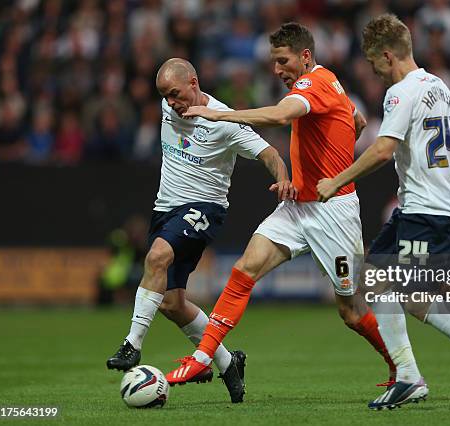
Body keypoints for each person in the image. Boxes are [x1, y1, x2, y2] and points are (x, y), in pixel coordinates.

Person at [164, 23, 398, 389]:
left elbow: (280, 115)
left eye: (283, 61)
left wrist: (220, 114)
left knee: (350, 312)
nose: (277, 70)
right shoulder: (331, 81)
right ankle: (202, 358)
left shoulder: (313, 84)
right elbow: (358, 119)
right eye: (274, 62)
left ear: (305, 57)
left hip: (334, 211)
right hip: (297, 206)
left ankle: (399, 368)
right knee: (245, 269)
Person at [316, 14, 450, 411]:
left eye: (375, 64)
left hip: (427, 214)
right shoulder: (437, 85)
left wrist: (334, 181)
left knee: (413, 296)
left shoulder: (400, 93)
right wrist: (440, 167)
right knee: (375, 280)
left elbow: (382, 149)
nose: (375, 73)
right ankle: (409, 376)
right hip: (420, 210)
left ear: (386, 55)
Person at [106, 58, 295, 404]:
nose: (172, 103)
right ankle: (228, 363)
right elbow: (169, 102)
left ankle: (132, 345)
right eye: (165, 96)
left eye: (176, 94)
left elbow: (269, 153)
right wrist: (170, 101)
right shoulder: (168, 106)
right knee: (172, 303)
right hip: (164, 210)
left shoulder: (223, 120)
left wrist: (282, 178)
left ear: (194, 82)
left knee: (157, 255)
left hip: (203, 209)